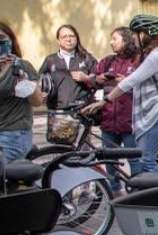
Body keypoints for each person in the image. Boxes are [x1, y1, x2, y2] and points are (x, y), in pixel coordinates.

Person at [84, 15, 158, 174]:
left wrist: (104, 101)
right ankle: (153, 193)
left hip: (156, 113)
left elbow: (130, 82)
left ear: (143, 34)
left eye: (134, 35)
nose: (133, 40)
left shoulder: (156, 57)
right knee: (146, 159)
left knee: (146, 161)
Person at [89, 27, 142, 195]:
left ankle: (138, 191)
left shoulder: (138, 61)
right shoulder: (107, 61)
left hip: (130, 122)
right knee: (109, 161)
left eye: (115, 39)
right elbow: (92, 80)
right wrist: (97, 79)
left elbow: (145, 87)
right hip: (108, 121)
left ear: (125, 40)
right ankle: (115, 191)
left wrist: (126, 82)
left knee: (135, 160)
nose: (111, 42)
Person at [0, 21, 45, 162]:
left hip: (13, 134)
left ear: (11, 41)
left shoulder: (21, 66)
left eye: (1, 38)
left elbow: (38, 101)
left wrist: (25, 84)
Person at [40, 24, 97, 110]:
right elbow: (38, 82)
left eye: (72, 36)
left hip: (82, 110)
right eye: (64, 37)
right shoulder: (50, 60)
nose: (68, 39)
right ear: (58, 41)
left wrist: (86, 78)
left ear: (77, 39)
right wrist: (42, 93)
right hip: (57, 111)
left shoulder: (87, 58)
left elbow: (100, 81)